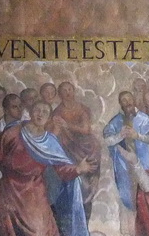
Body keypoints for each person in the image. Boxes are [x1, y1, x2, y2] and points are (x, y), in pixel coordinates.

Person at [0, 101, 94, 236]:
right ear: (31, 112)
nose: (40, 114)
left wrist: (78, 169)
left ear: (49, 118)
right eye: (38, 110)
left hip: (34, 191)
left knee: (41, 230)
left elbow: (62, 169)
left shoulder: (49, 141)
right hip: (9, 188)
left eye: (45, 112)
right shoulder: (13, 132)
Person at [103, 91, 149, 236]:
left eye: (129, 99)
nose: (127, 103)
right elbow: (107, 141)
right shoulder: (116, 122)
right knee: (129, 201)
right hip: (125, 168)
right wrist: (119, 136)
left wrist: (137, 135)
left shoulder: (145, 120)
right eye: (123, 100)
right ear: (120, 104)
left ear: (134, 100)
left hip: (146, 164)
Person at [51, 82, 103, 219]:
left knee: (89, 185)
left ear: (74, 91)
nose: (68, 93)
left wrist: (66, 125)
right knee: (73, 185)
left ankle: (84, 218)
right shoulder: (57, 112)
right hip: (68, 150)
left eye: (70, 89)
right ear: (60, 94)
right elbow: (54, 134)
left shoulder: (82, 108)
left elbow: (86, 130)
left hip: (86, 149)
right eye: (64, 90)